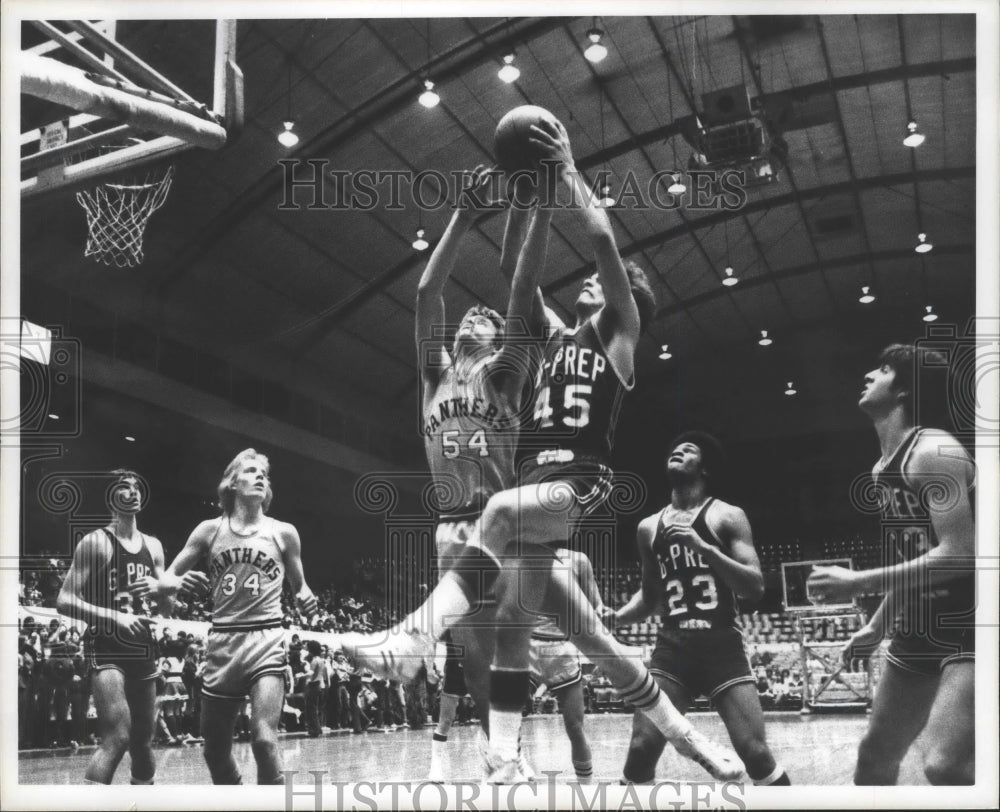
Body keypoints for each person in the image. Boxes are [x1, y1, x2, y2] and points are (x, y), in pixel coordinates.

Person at [358, 120, 742, 784]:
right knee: (552, 631)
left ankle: (414, 637)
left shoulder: (618, 335)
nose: (587, 284)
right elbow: (515, 273)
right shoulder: (554, 337)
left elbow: (598, 239)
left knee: (502, 512)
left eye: (600, 284)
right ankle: (680, 741)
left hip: (575, 478)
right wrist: (527, 197)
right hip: (532, 484)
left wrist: (564, 166)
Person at [411, 164, 553, 783]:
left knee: (502, 647)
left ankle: (510, 751)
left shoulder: (505, 374)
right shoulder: (433, 375)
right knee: (469, 660)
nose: (471, 317)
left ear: (499, 339)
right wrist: (463, 217)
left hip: (497, 525)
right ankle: (498, 746)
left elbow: (521, 304)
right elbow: (424, 295)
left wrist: (532, 211)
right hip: (448, 528)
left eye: (483, 318)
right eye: (466, 316)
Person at [807, 344, 975, 785]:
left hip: (975, 619)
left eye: (882, 369)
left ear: (905, 390)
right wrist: (877, 626)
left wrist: (860, 581)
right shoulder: (884, 469)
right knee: (875, 756)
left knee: (946, 765)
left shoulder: (934, 451)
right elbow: (915, 560)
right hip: (923, 622)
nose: (867, 374)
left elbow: (960, 553)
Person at [131, 449, 318, 784]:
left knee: (263, 741)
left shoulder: (284, 532)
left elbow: (300, 585)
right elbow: (169, 577)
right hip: (223, 641)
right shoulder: (209, 530)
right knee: (214, 751)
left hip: (266, 638)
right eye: (251, 470)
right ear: (232, 482)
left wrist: (305, 596)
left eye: (264, 473)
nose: (261, 476)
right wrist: (171, 583)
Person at [615, 433, 789, 786]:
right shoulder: (648, 528)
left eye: (689, 450)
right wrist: (615, 617)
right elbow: (650, 599)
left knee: (755, 753)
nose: (678, 450)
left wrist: (704, 548)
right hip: (671, 649)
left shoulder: (727, 516)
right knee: (641, 747)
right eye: (675, 448)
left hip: (721, 647)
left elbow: (754, 587)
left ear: (705, 468)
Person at [55, 469, 178, 784]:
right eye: (125, 487)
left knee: (142, 743)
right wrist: (114, 616)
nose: (134, 492)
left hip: (143, 646)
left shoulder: (154, 546)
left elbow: (165, 609)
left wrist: (169, 592)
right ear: (111, 496)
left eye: (137, 487)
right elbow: (65, 599)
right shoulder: (95, 542)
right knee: (118, 737)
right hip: (106, 643)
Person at [528, 548, 602, 784]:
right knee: (503, 725)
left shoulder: (579, 560)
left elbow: (597, 608)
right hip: (526, 646)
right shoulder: (519, 554)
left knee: (575, 727)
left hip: (562, 647)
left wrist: (605, 653)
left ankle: (586, 791)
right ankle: (510, 773)